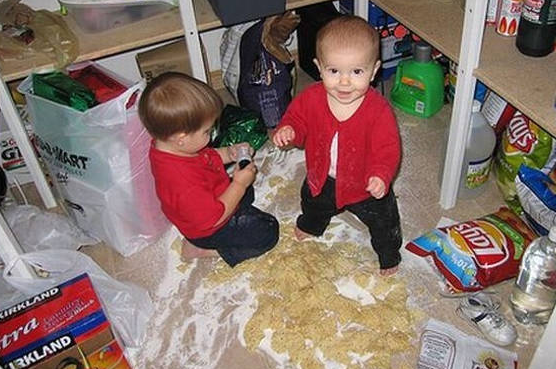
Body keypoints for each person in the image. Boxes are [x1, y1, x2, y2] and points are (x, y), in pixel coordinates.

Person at [272, 15, 403, 276]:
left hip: (365, 186)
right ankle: (311, 226)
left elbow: (387, 148)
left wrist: (381, 174)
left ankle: (389, 255)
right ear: (318, 68)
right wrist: (290, 130)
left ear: (374, 71)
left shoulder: (378, 111)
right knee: (312, 204)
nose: (344, 82)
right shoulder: (311, 98)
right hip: (322, 178)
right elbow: (296, 120)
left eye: (356, 72)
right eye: (334, 71)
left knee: (384, 222)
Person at [138, 72, 279, 266]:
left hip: (208, 197)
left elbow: (203, 157)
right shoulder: (182, 183)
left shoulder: (170, 146)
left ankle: (237, 197)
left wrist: (229, 153)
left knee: (247, 189)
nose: (210, 134)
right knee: (268, 232)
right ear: (181, 138)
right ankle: (202, 249)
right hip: (208, 228)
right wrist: (238, 184)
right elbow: (214, 217)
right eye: (207, 131)